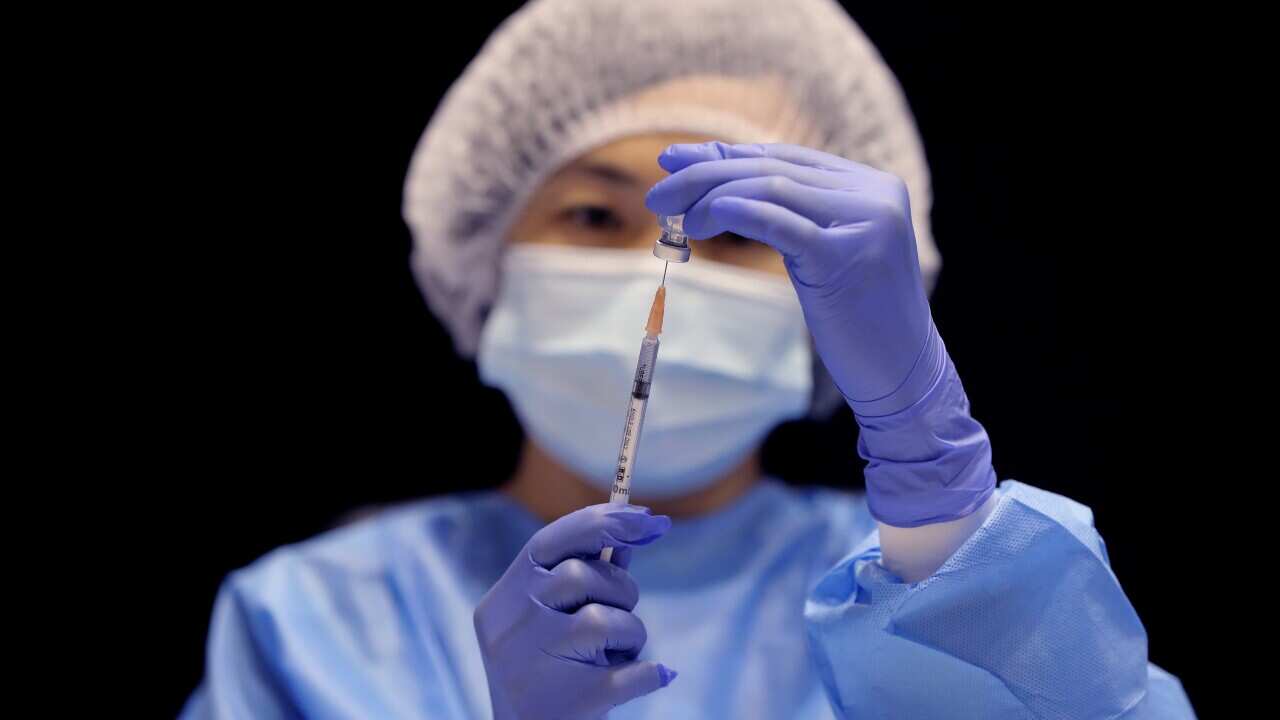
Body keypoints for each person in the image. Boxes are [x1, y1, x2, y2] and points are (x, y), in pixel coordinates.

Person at [180, 0, 1196, 717]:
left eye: (737, 232)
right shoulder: (311, 623)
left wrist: (933, 493)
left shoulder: (913, 582)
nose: (654, 264)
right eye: (589, 212)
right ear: (481, 258)